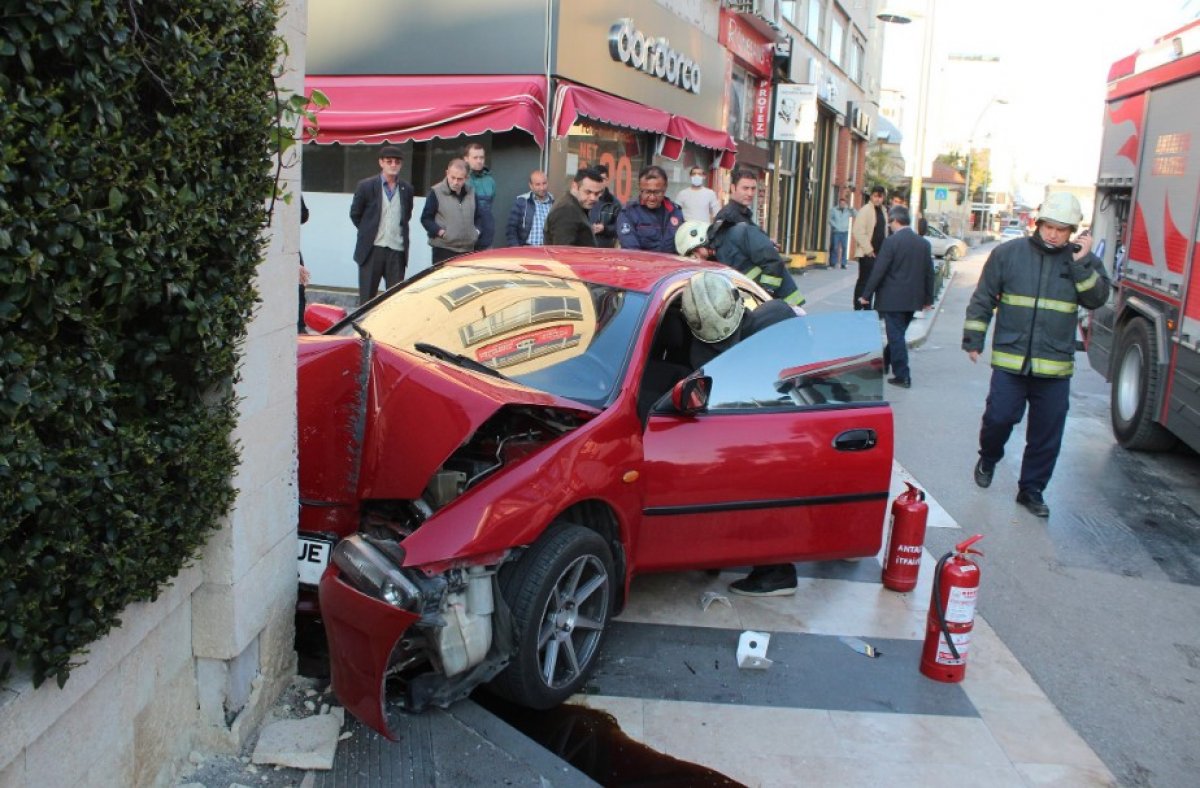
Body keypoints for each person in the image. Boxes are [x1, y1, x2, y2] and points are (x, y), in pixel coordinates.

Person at [963, 192, 1110, 518]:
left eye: (1061, 229)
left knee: (1046, 435)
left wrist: (1081, 264)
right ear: (1038, 223)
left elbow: (1097, 299)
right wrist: (974, 338)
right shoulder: (1008, 254)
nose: (1053, 234)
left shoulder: (1081, 261)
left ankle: (1031, 490)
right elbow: (984, 297)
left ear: (1072, 231)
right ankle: (989, 457)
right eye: (1049, 227)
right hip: (1010, 361)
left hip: (1054, 368)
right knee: (999, 418)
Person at [679, 271, 801, 596]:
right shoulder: (705, 351)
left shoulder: (775, 323)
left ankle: (776, 571)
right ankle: (721, 552)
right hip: (762, 429)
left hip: (781, 431)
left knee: (762, 491)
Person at [858, 206, 934, 388]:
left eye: (889, 223)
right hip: (913, 300)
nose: (889, 226)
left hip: (892, 300)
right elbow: (929, 273)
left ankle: (902, 375)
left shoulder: (891, 242)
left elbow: (879, 270)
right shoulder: (923, 244)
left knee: (896, 337)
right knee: (898, 334)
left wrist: (866, 295)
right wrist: (928, 299)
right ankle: (884, 362)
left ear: (895, 221)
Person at [675, 220, 806, 307]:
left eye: (693, 252)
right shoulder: (716, 256)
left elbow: (772, 262)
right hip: (764, 308)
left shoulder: (740, 234)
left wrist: (765, 293)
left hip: (785, 301)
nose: (696, 257)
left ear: (700, 240)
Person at [349, 145, 414, 305]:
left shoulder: (407, 189)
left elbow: (406, 216)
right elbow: (355, 214)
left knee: (395, 300)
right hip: (372, 249)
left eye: (397, 162)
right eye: (389, 161)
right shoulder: (366, 186)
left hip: (396, 250)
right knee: (367, 299)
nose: (393, 165)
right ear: (381, 163)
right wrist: (368, 231)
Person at [420, 159, 484, 265]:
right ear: (447, 173)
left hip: (468, 249)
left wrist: (476, 232)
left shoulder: (472, 193)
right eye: (452, 177)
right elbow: (426, 218)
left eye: (460, 179)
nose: (455, 182)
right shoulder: (436, 192)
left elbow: (479, 217)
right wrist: (441, 232)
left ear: (466, 178)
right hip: (443, 249)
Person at [616, 165, 684, 252]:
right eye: (647, 192)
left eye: (657, 192)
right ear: (640, 187)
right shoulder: (628, 213)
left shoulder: (675, 211)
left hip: (671, 261)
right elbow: (632, 251)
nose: (652, 198)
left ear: (665, 187)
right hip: (641, 261)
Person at [544, 167, 603, 247]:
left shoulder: (574, 205)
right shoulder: (566, 210)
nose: (593, 198)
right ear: (574, 186)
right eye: (588, 192)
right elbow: (563, 251)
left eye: (597, 193)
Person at [851, 186, 887, 310]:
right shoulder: (865, 210)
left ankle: (867, 307)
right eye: (875, 196)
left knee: (873, 282)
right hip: (867, 254)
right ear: (871, 196)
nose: (878, 199)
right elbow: (858, 231)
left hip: (880, 253)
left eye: (880, 197)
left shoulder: (883, 211)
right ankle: (858, 306)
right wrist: (869, 250)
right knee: (864, 280)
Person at [505, 170, 554, 247]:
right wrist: (517, 249)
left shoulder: (554, 203)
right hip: (527, 249)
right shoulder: (522, 202)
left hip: (547, 250)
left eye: (544, 183)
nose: (542, 188)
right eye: (538, 184)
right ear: (531, 186)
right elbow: (511, 229)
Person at [464, 142, 496, 250]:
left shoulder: (490, 181)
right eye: (475, 158)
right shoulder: (460, 179)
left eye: (481, 157)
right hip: (464, 238)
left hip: (486, 237)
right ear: (466, 159)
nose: (479, 161)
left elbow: (490, 205)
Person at [589, 164, 620, 247]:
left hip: (605, 249)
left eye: (602, 179)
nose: (599, 181)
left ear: (607, 181)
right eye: (596, 178)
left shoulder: (614, 203)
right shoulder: (584, 199)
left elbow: (620, 227)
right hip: (584, 247)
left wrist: (605, 229)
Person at [827, 195, 855, 269]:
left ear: (845, 204)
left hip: (845, 232)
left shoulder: (847, 210)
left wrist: (852, 209)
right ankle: (833, 263)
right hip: (836, 231)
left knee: (844, 248)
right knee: (835, 247)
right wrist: (835, 225)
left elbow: (856, 214)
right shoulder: (834, 210)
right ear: (839, 203)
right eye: (841, 203)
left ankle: (843, 264)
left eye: (844, 204)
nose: (842, 205)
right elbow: (829, 219)